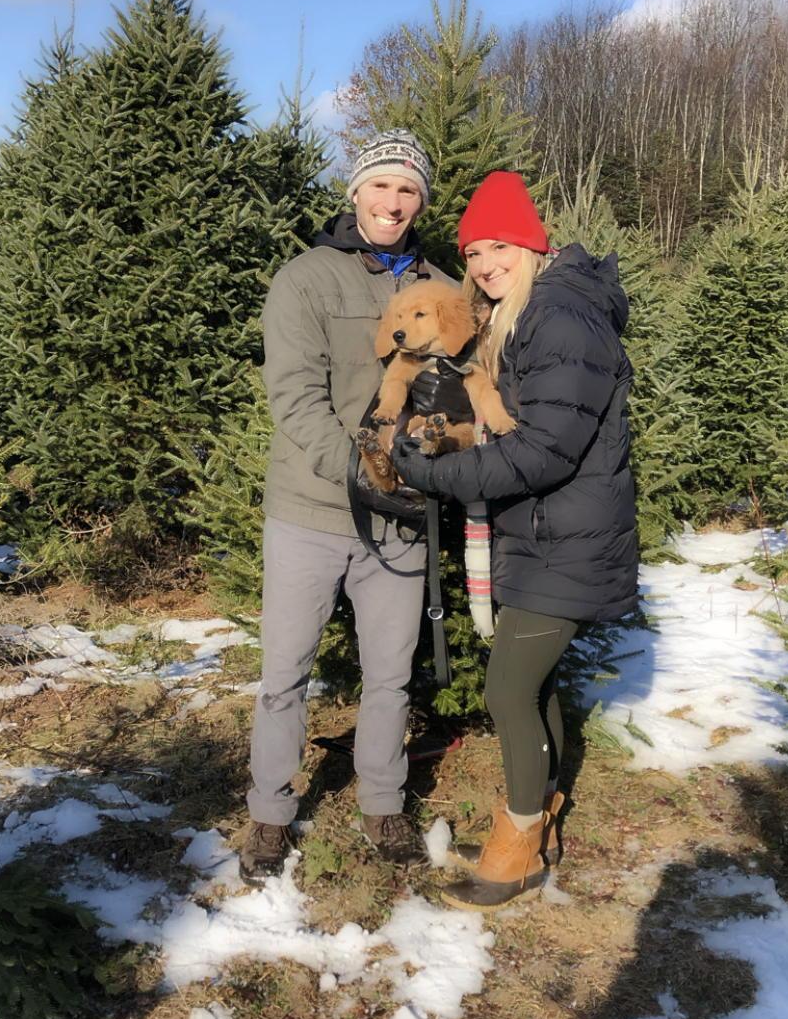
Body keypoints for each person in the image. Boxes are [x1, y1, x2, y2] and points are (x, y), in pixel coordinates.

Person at [392, 170, 638, 911]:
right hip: (542, 531)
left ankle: (519, 845)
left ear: (532, 245)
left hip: (569, 536)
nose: (485, 263)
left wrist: (439, 475)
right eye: (472, 252)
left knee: (507, 688)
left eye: (499, 245)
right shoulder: (525, 314)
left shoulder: (561, 317)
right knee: (535, 684)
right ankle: (541, 820)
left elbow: (545, 451)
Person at [240, 129, 449, 886]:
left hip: (401, 522)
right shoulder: (305, 280)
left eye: (408, 190)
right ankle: (269, 816)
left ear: (420, 200)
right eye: (381, 186)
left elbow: (456, 392)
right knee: (285, 674)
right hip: (310, 513)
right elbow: (293, 399)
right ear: (355, 192)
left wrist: (433, 465)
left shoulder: (440, 284)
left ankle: (383, 805)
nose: (393, 202)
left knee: (391, 675)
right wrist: (361, 472)